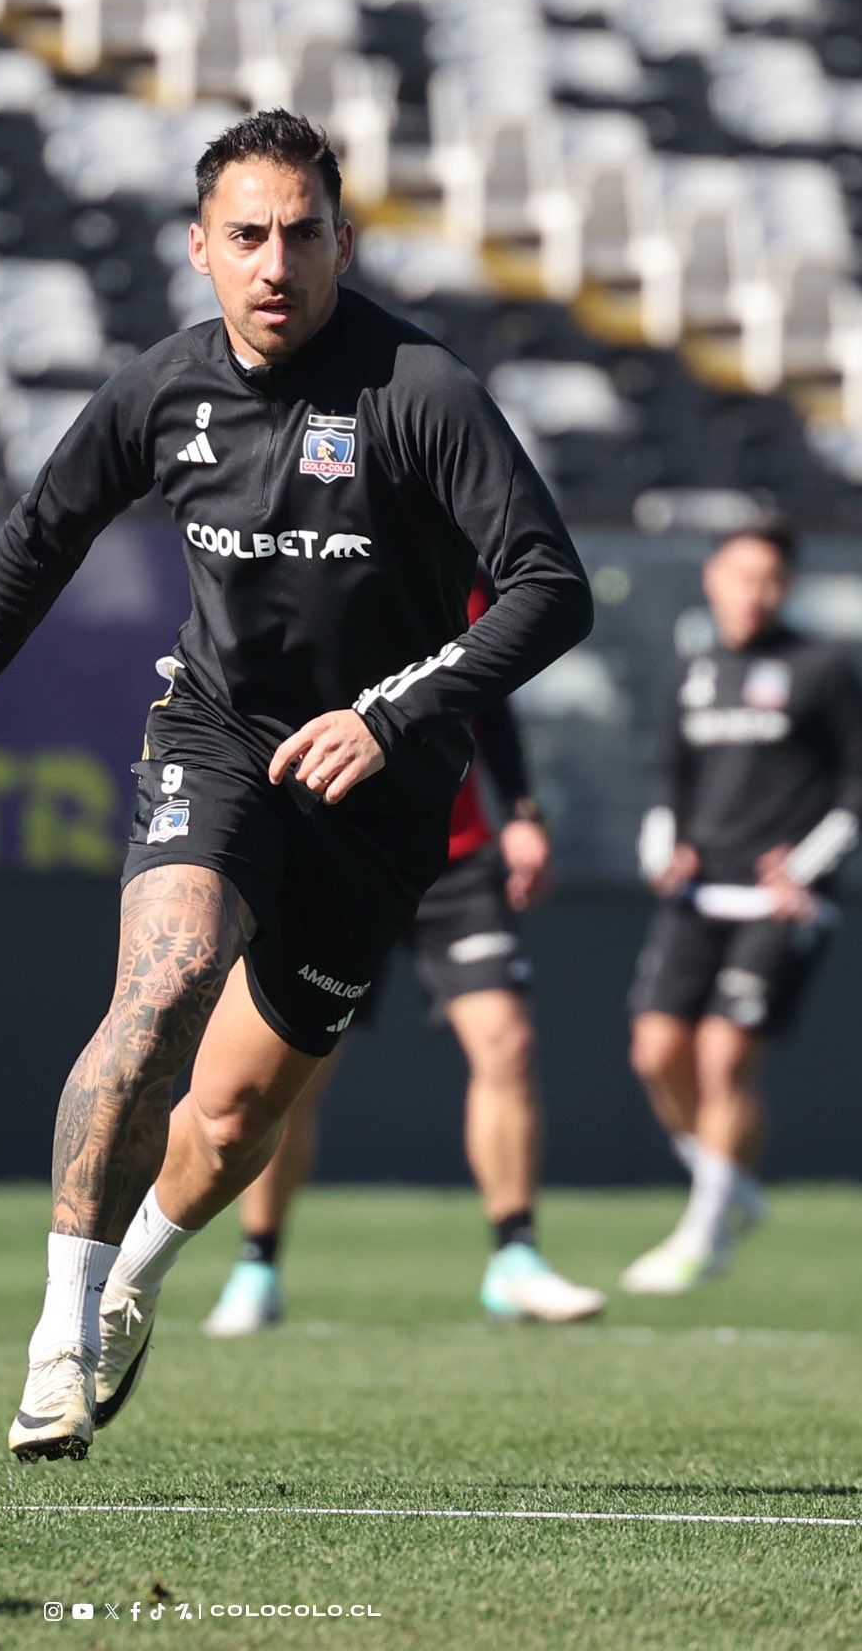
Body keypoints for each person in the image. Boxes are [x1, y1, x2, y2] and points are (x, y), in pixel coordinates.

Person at [0, 109, 594, 1460]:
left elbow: (555, 592)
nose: (277, 263)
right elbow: (39, 539)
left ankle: (139, 1276)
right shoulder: (161, 393)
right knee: (165, 981)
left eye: (303, 235)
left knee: (236, 1114)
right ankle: (59, 1334)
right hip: (215, 741)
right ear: (199, 248)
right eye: (247, 237)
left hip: (382, 795)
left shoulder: (420, 393)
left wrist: (395, 713)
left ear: (342, 241)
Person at [202, 573, 604, 1336]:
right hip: (343, 851)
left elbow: (492, 694)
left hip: (458, 858)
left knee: (507, 1042)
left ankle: (515, 1257)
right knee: (295, 1078)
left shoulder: (470, 571)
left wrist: (521, 811)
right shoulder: (326, 545)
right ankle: (258, 1266)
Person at [622, 521, 862, 1296]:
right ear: (713, 578)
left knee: (724, 1058)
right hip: (700, 895)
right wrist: (663, 846)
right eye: (741, 575)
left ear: (789, 587)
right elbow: (670, 780)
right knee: (656, 1055)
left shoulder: (822, 671)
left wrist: (803, 866)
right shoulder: (698, 670)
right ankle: (732, 1187)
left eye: (770, 578)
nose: (754, 592)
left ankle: (703, 1236)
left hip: (781, 907)